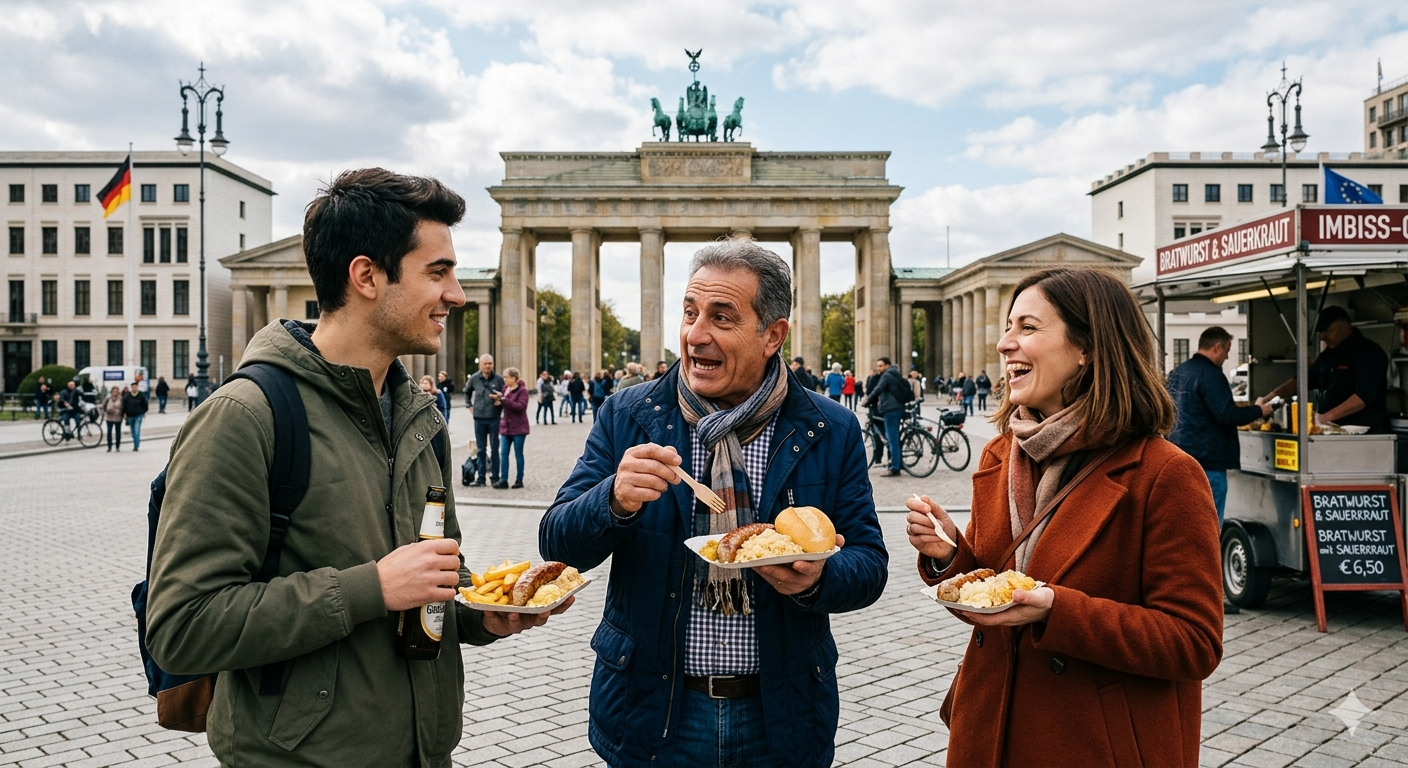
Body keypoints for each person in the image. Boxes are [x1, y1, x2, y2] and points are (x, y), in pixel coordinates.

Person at [146, 168, 567, 767]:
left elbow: (429, 574)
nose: (457, 294)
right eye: (437, 272)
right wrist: (372, 588)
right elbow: (183, 625)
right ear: (367, 275)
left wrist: (486, 613)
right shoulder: (245, 417)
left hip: (422, 751)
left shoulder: (420, 418)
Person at [540, 239, 887, 768]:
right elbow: (557, 543)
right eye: (689, 312)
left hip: (779, 714)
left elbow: (868, 563)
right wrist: (611, 500)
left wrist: (818, 579)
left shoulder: (829, 427)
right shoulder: (629, 414)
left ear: (773, 335)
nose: (695, 334)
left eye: (722, 317)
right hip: (655, 709)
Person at [905, 267, 1222, 767]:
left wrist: (1059, 611)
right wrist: (949, 556)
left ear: (1088, 348)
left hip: (1090, 743)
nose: (1005, 343)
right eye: (1008, 327)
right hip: (989, 735)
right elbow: (997, 588)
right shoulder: (1000, 454)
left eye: (1027, 328)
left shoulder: (1166, 474)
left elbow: (1194, 643)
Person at [1256, 304, 1390, 433]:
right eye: (1320, 332)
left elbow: (1363, 397)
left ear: (1344, 327)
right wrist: (1267, 399)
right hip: (1333, 431)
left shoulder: (1369, 352)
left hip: (1366, 434)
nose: (1322, 337)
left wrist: (1323, 418)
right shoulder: (1329, 354)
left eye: (1327, 331)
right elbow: (1302, 381)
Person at [862, 357, 908, 477]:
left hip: (890, 410)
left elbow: (877, 390)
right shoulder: (895, 374)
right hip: (897, 408)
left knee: (892, 439)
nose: (878, 368)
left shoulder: (887, 376)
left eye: (881, 366)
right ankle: (898, 462)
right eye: (877, 366)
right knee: (894, 438)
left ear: (887, 366)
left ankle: (895, 468)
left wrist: (866, 401)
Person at [467, 354, 505, 487]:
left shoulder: (499, 379)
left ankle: (495, 477)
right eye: (485, 363)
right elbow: (467, 391)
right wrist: (469, 405)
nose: (488, 366)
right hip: (479, 417)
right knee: (481, 449)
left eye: (490, 363)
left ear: (493, 364)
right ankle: (481, 478)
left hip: (494, 417)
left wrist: (499, 400)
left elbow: (505, 395)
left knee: (495, 449)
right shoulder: (474, 378)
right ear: (480, 365)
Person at [496, 367, 530, 489]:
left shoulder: (523, 391)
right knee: (503, 453)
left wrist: (504, 400)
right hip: (506, 426)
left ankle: (519, 480)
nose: (504, 380)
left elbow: (520, 406)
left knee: (518, 454)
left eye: (506, 377)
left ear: (514, 378)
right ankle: (503, 479)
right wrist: (498, 400)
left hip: (519, 427)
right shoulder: (505, 389)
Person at [121, 381, 148, 451]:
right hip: (130, 416)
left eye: (135, 387)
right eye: (133, 387)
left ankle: (136, 445)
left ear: (137, 387)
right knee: (133, 431)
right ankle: (135, 441)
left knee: (136, 430)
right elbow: (124, 405)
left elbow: (145, 404)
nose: (134, 388)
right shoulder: (127, 396)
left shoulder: (141, 395)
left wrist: (144, 411)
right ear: (131, 388)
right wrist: (124, 413)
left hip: (138, 415)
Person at [102, 385, 124, 451]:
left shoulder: (120, 398)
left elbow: (123, 407)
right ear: (112, 392)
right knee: (109, 432)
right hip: (109, 417)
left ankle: (117, 446)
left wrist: (122, 413)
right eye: (114, 391)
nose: (115, 393)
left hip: (118, 418)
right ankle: (109, 446)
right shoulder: (108, 398)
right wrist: (104, 411)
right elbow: (103, 405)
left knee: (118, 433)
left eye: (116, 391)